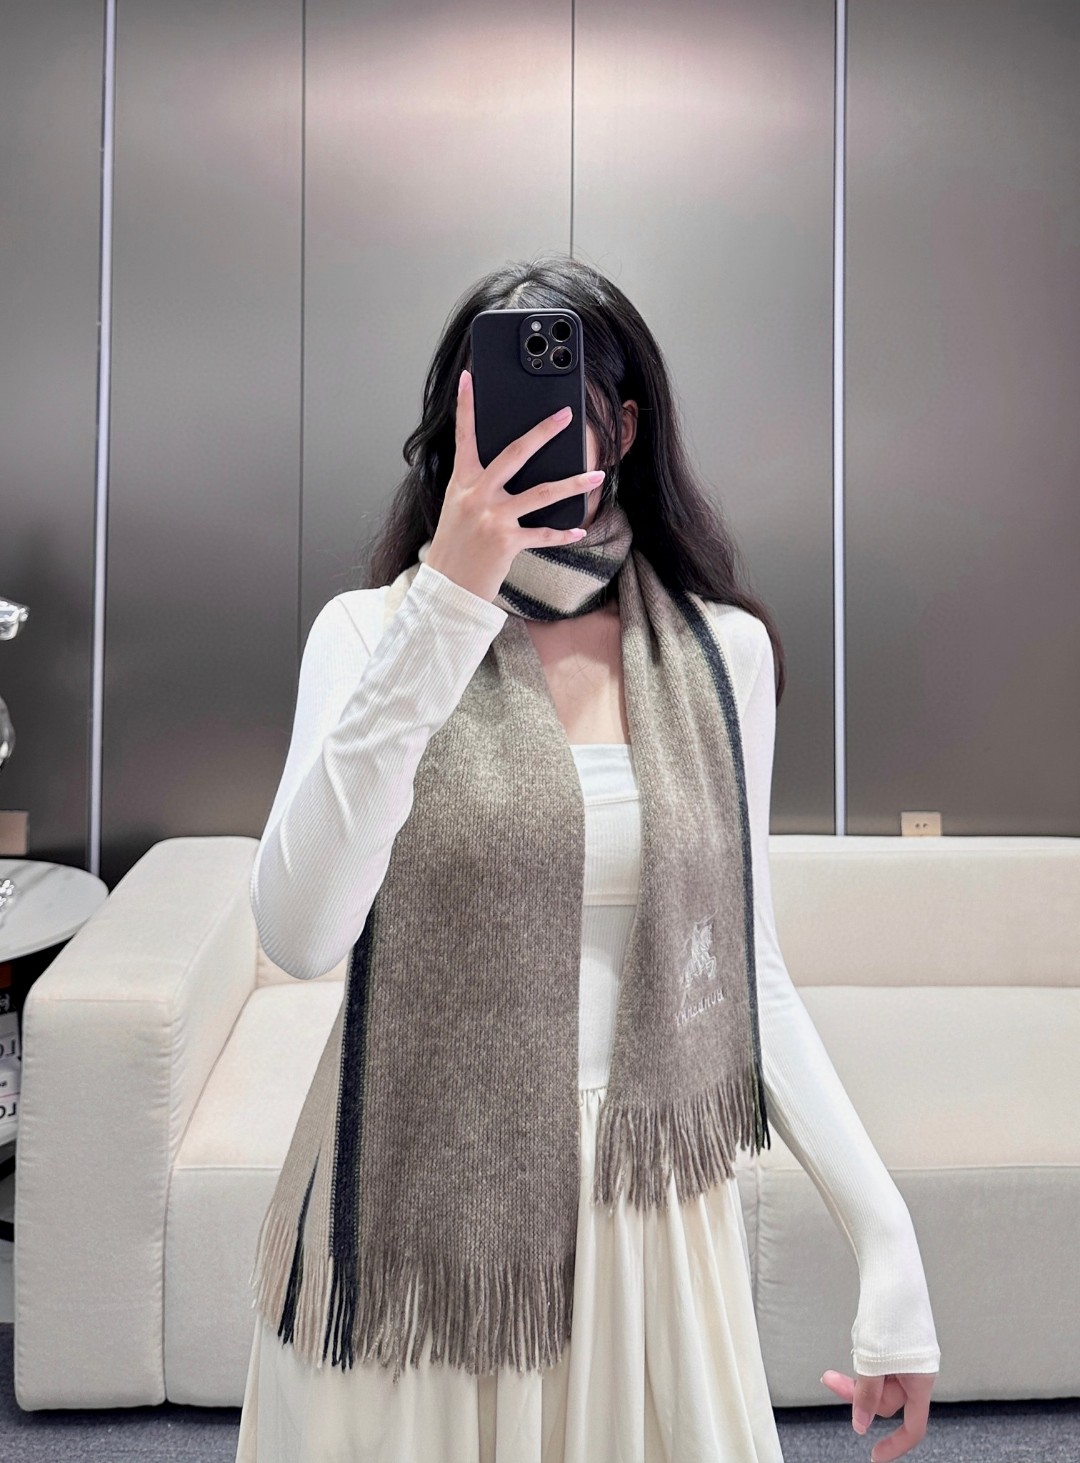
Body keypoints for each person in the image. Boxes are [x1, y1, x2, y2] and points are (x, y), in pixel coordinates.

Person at [235, 254, 940, 1463]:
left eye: (562, 398)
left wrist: (887, 1236)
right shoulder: (369, 636)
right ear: (451, 427)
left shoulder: (721, 655)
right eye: (491, 402)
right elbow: (300, 937)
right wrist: (447, 606)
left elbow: (748, 973)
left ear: (622, 424)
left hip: (647, 1226)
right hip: (419, 1230)